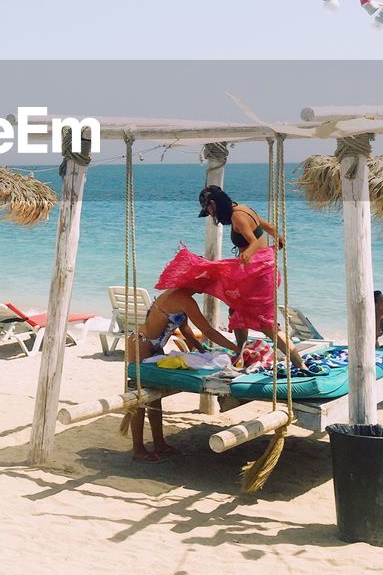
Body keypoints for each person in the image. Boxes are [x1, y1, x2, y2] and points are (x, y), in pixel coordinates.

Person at [157, 184, 310, 372]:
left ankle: (299, 363)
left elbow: (253, 243)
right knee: (236, 311)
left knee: (266, 324)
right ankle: (242, 352)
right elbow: (269, 227)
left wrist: (247, 255)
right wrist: (278, 239)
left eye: (209, 211)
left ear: (214, 204)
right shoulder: (244, 209)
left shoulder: (238, 216)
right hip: (263, 268)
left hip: (257, 272)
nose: (212, 216)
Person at [125, 288, 238, 461]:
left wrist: (202, 350)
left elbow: (185, 330)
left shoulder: (178, 296)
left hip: (154, 346)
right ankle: (138, 449)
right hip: (141, 343)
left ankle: (159, 443)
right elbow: (208, 330)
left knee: (155, 397)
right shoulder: (183, 299)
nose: (203, 287)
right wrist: (237, 349)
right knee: (140, 398)